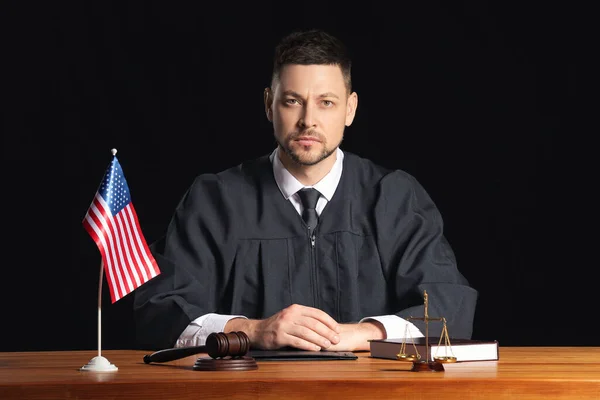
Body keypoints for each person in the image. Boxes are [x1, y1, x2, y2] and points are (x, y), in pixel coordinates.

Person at [132, 29, 478, 352]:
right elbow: (161, 309)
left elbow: (450, 308)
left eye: (326, 102)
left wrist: (361, 333)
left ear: (350, 109)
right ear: (269, 104)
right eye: (292, 101)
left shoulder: (394, 197)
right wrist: (253, 330)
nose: (308, 119)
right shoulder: (216, 200)